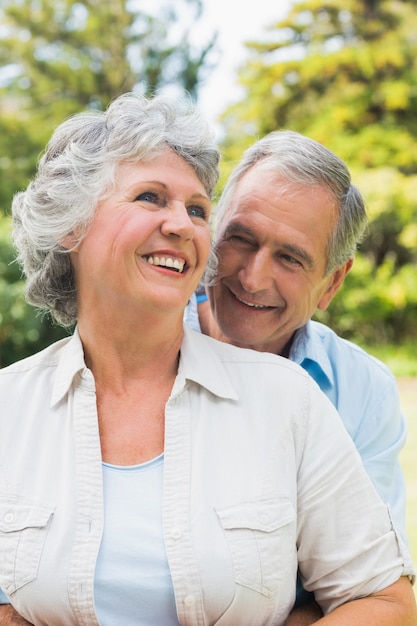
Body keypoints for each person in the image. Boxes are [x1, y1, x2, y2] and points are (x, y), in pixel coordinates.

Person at [0, 94, 415, 626]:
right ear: (71, 225)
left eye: (197, 209)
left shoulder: (291, 397)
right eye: (151, 197)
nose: (182, 224)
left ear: (332, 282)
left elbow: (381, 598)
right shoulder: (11, 407)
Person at [197, 129, 412, 622]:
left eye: (290, 258)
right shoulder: (144, 344)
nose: (253, 277)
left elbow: (367, 597)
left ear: (332, 283)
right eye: (240, 239)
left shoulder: (363, 392)